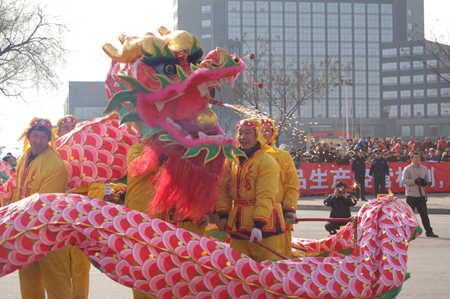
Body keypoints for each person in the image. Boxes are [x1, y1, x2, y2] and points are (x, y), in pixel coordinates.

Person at [7, 118, 73, 299]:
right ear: (28, 136)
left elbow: (44, 203)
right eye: (35, 135)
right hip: (24, 229)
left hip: (49, 230)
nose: (38, 141)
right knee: (29, 278)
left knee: (56, 279)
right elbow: (15, 188)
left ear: (49, 139)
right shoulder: (24, 158)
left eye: (43, 136)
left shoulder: (55, 164)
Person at [217, 118, 285, 263]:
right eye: (240, 133)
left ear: (257, 135)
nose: (242, 137)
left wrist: (258, 225)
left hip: (265, 226)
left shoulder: (266, 161)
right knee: (238, 266)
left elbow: (266, 195)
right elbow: (223, 190)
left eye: (247, 133)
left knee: (266, 269)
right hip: (238, 223)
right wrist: (223, 214)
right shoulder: (231, 160)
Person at [260, 118, 299, 258]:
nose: (263, 133)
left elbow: (292, 185)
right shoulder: (241, 155)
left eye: (267, 130)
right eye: (260, 129)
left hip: (277, 213)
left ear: (273, 134)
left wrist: (289, 209)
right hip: (249, 214)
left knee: (279, 257)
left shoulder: (283, 156)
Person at [402, 152, 438, 237]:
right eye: (415, 157)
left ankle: (429, 231)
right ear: (412, 159)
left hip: (421, 195)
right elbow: (404, 180)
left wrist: (426, 183)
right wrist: (414, 181)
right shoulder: (408, 168)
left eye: (418, 157)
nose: (418, 159)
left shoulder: (424, 168)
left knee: (424, 215)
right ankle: (406, 233)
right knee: (409, 216)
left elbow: (428, 180)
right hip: (411, 195)